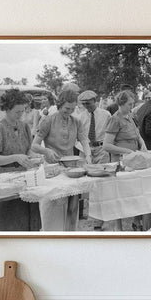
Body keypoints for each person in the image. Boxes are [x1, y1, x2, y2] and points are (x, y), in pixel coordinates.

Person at [31, 89, 92, 231]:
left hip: (70, 170)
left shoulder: (76, 122)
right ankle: (50, 236)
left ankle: (70, 237)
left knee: (71, 207)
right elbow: (34, 146)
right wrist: (46, 150)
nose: (69, 111)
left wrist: (88, 155)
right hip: (51, 171)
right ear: (59, 105)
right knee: (52, 208)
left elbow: (84, 140)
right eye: (66, 108)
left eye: (72, 109)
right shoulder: (48, 121)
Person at [0, 89, 41, 231]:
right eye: (17, 112)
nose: (21, 114)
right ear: (7, 109)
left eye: (23, 111)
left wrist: (34, 157)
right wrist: (16, 157)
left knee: (29, 219)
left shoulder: (24, 126)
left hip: (26, 178)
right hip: (6, 182)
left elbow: (28, 149)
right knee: (9, 221)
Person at [103, 90, 147, 162]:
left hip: (133, 159)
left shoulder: (130, 116)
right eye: (129, 104)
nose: (132, 106)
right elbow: (106, 146)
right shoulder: (115, 120)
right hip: (121, 160)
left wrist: (142, 144)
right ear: (121, 104)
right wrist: (128, 151)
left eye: (133, 104)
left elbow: (137, 134)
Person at [77, 90, 111, 164]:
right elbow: (77, 138)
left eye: (88, 103)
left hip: (101, 150)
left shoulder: (106, 115)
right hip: (85, 151)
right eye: (83, 104)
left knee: (101, 172)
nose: (86, 106)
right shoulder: (80, 117)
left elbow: (111, 133)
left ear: (95, 100)